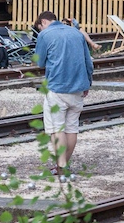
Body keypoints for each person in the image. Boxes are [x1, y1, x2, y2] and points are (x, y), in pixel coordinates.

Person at [33, 10, 94, 179]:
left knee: (56, 128)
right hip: (78, 87)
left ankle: (61, 167)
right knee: (72, 128)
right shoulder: (76, 32)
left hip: (57, 87)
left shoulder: (45, 35)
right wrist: (88, 82)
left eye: (40, 27)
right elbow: (88, 61)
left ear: (44, 22)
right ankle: (64, 165)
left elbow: (39, 62)